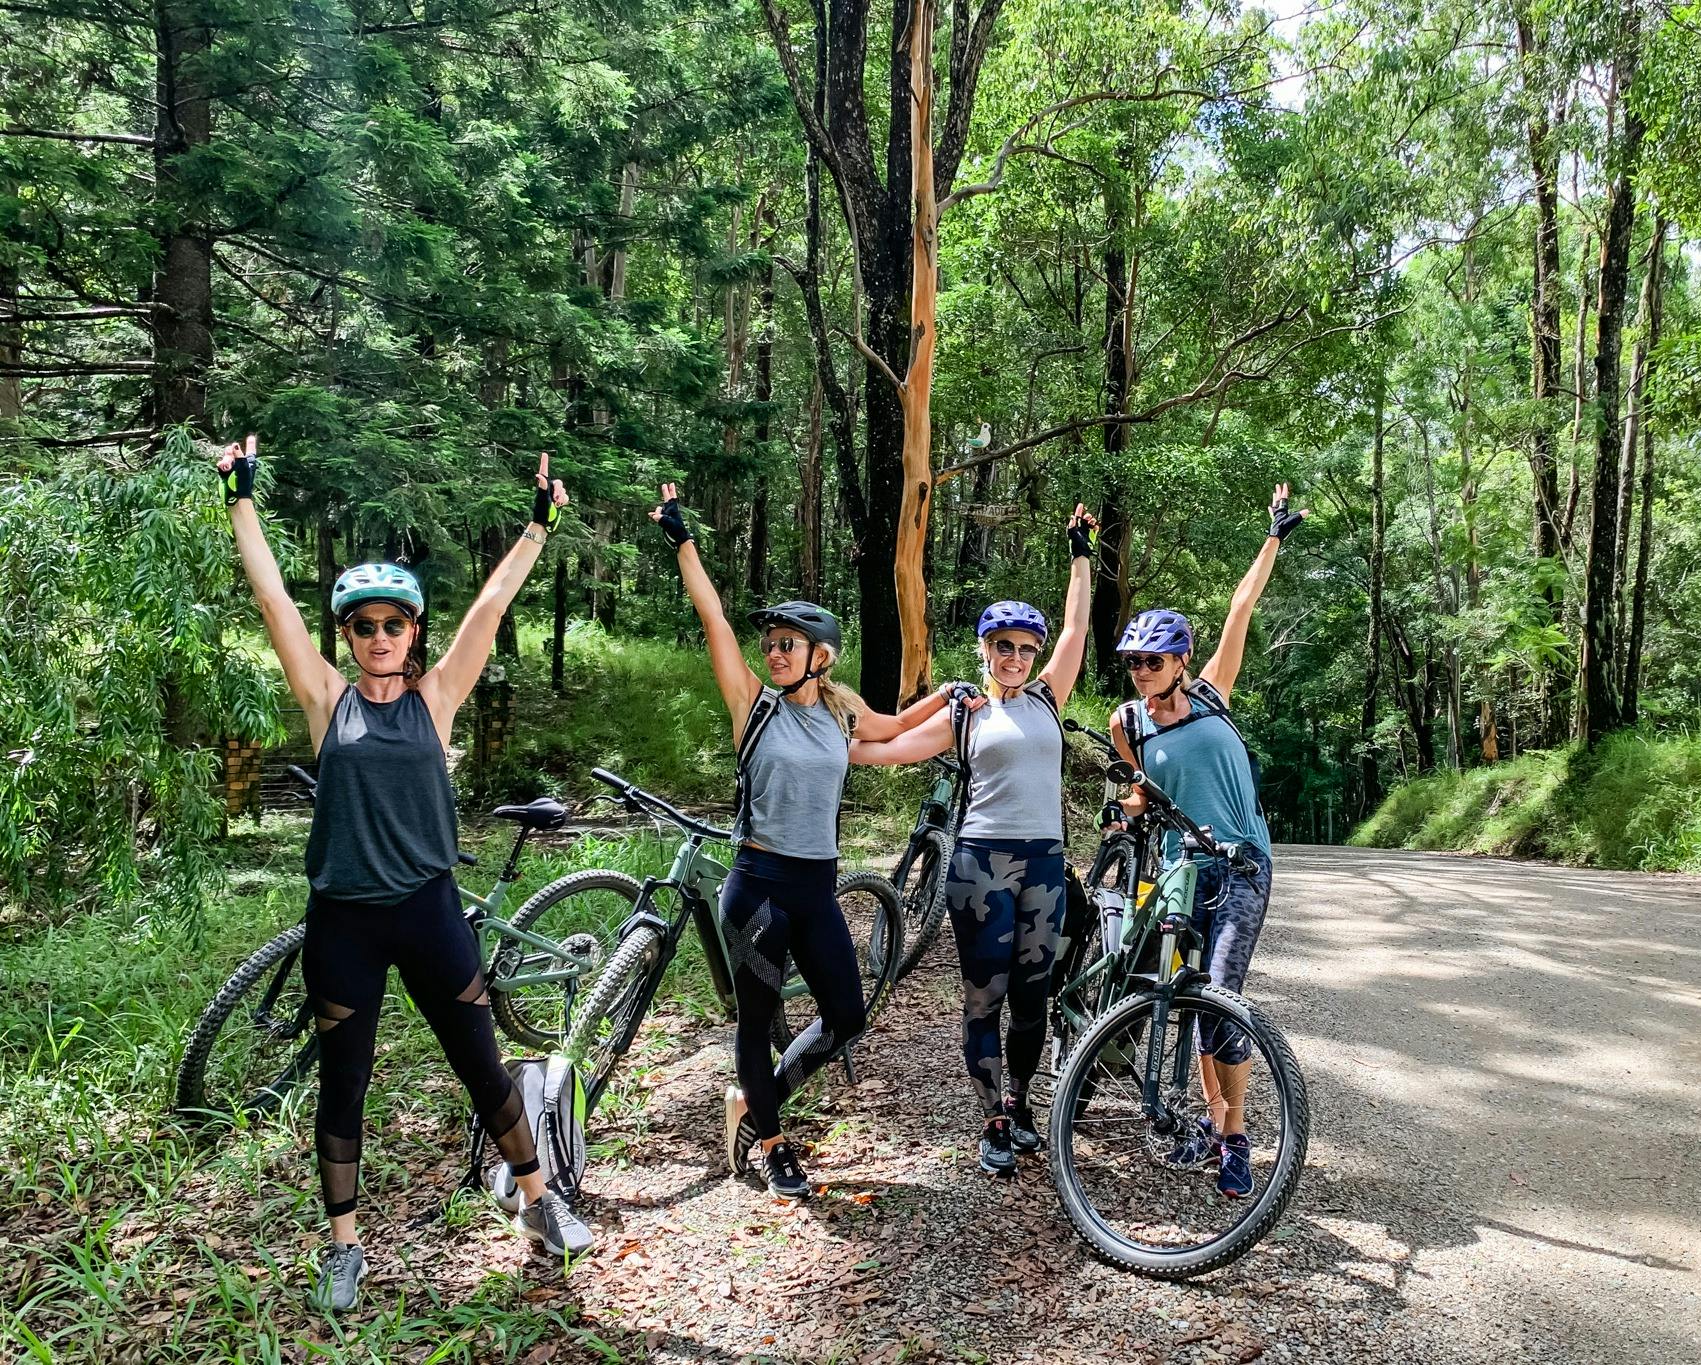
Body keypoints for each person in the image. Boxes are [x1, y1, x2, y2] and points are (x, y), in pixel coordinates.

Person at [213, 435, 592, 1313]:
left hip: (427, 912)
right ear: (346, 636)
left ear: (413, 632)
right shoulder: (326, 700)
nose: (379, 635)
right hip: (344, 921)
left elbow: (491, 610)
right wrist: (241, 496)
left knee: (481, 1064)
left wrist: (539, 523)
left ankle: (538, 1200)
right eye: (362, 624)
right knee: (344, 1081)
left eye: (394, 623)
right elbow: (272, 600)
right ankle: (344, 1248)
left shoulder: (437, 699)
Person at [649, 484, 962, 1201]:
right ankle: (772, 1139)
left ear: (821, 654)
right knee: (757, 1021)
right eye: (772, 645)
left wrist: (951, 697)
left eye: (787, 644)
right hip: (757, 886)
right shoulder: (752, 705)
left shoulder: (840, 713)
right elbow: (715, 619)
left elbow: (896, 727)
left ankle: (758, 1102)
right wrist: (683, 539)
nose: (774, 652)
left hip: (816, 886)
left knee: (847, 1012)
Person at [851, 507, 1097, 1174]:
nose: (1015, 658)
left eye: (1025, 648)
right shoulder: (965, 714)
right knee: (984, 996)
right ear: (985, 650)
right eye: (1003, 646)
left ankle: (1020, 1105)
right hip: (981, 866)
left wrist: (1081, 551)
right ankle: (991, 1118)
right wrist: (820, 734)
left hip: (1045, 864)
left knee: (1032, 996)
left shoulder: (1047, 697)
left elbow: (1077, 626)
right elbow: (887, 745)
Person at [1107, 483, 1304, 1199]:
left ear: (1182, 661)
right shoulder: (1127, 721)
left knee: (1221, 995)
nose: (1142, 673)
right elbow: (1140, 791)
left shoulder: (1215, 691)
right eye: (1134, 662)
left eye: (1153, 662)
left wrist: (1274, 534)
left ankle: (1237, 1133)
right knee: (1186, 999)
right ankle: (1216, 1126)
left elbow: (1240, 605)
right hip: (1178, 874)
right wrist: (1126, 811)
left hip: (1242, 866)